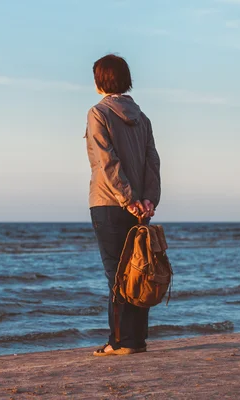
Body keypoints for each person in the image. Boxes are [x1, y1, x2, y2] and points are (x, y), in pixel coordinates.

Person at [86, 54, 161, 356]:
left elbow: (107, 162)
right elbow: (151, 162)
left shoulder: (98, 113)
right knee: (139, 270)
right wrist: (147, 200)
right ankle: (136, 340)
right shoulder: (142, 117)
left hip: (109, 202)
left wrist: (128, 199)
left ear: (100, 80)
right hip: (138, 205)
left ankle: (119, 342)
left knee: (117, 275)